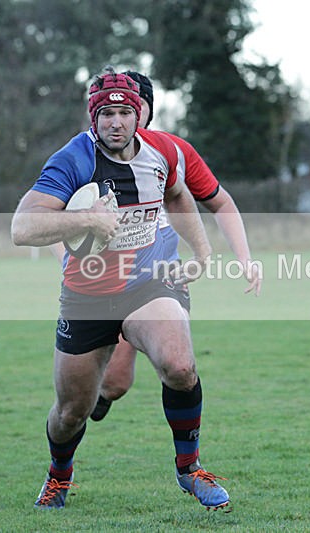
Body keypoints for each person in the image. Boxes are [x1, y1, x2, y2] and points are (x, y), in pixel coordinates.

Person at [11, 66, 230, 511]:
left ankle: (190, 468)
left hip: (150, 282)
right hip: (87, 295)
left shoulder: (159, 153)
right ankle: (58, 476)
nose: (116, 122)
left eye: (125, 112)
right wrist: (87, 219)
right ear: (94, 118)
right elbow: (22, 227)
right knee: (72, 411)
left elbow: (178, 194)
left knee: (180, 366)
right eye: (106, 113)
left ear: (139, 116)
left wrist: (203, 251)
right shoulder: (74, 158)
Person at [89, 71, 262, 422]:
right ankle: (86, 404)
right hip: (107, 282)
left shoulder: (174, 151)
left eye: (132, 107)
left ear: (145, 109)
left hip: (161, 279)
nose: (121, 117)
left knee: (179, 365)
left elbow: (221, 203)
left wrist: (244, 258)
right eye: (111, 110)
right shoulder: (86, 153)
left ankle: (189, 461)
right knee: (115, 383)